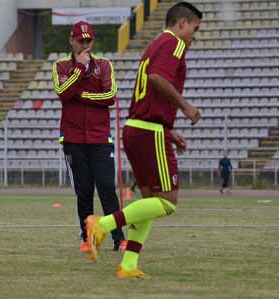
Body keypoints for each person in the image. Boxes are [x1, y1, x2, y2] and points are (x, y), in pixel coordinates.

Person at [85, 2, 202, 278]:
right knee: (168, 201)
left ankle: (128, 265)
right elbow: (157, 78)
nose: (194, 35)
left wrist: (169, 132)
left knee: (149, 201)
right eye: (194, 28)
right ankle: (102, 224)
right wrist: (185, 107)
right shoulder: (173, 43)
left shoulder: (156, 45)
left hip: (140, 127)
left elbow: (151, 89)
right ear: (182, 23)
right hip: (149, 130)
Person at [52, 21, 126, 253]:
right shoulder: (61, 66)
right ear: (71, 41)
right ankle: (87, 238)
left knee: (106, 188)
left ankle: (119, 238)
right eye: (80, 40)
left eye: (89, 40)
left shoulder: (104, 65)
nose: (85, 45)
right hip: (73, 138)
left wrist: (80, 94)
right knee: (84, 191)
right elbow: (63, 94)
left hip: (100, 138)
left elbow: (110, 96)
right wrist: (79, 70)